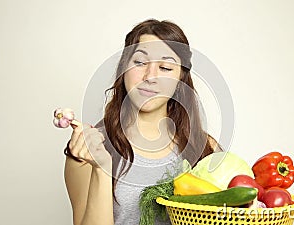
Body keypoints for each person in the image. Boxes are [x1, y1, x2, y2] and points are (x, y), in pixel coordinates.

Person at [63, 19, 222, 225]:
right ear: (124, 68)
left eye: (165, 67)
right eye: (139, 63)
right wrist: (102, 168)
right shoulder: (87, 150)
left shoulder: (204, 147)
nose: (150, 76)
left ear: (180, 79)